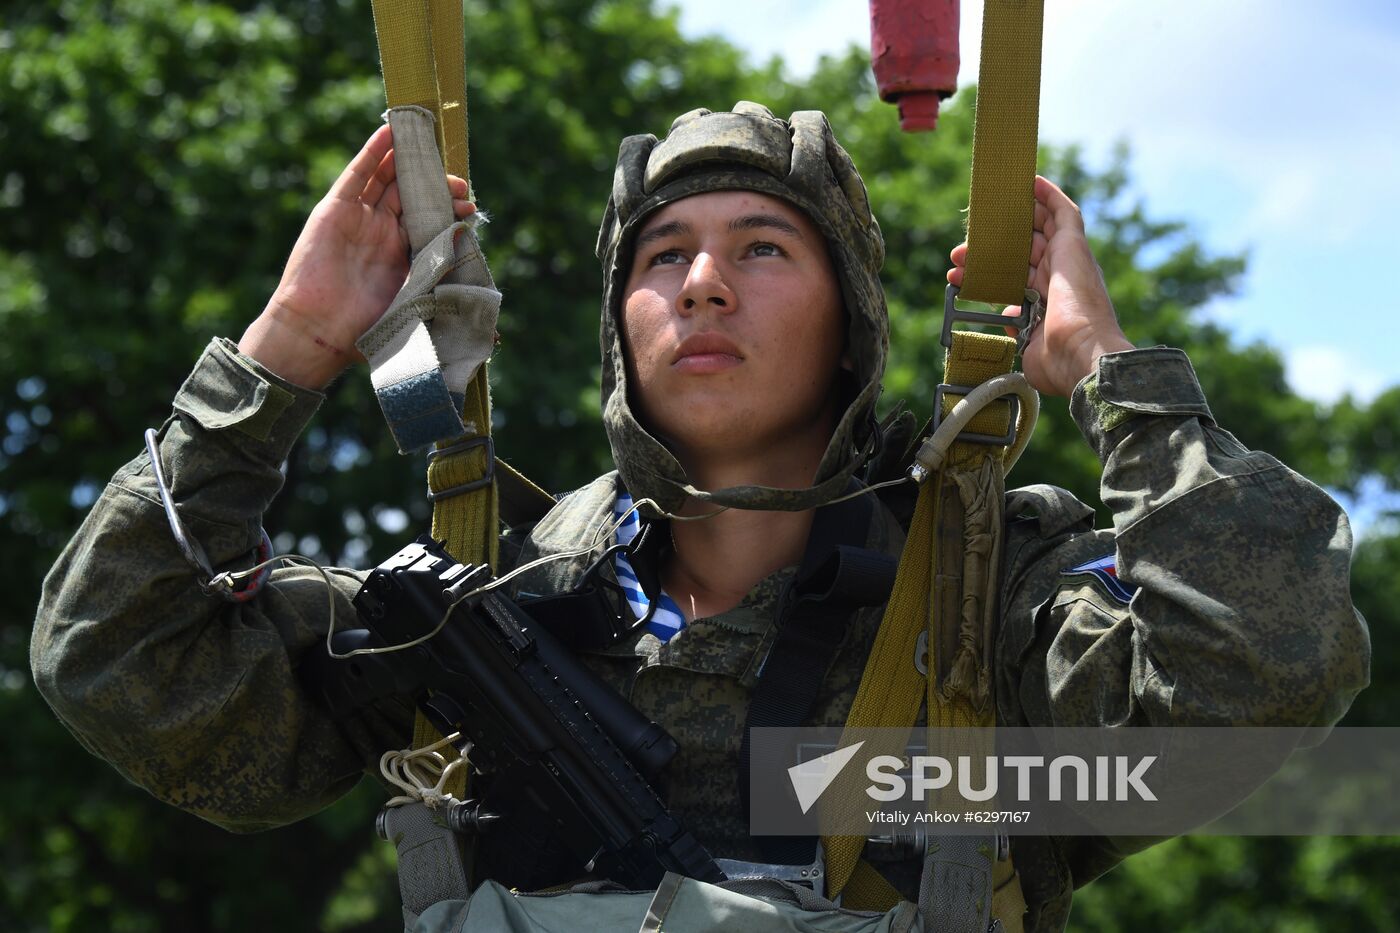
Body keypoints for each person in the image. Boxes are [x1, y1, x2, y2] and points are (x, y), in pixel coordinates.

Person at [31, 102, 1369, 931]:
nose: (705, 285)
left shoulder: (980, 609)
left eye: (763, 249)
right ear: (620, 327)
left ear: (850, 320)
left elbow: (1263, 668)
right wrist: (288, 351)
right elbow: (119, 665)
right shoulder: (491, 602)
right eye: (664, 258)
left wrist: (1112, 380)